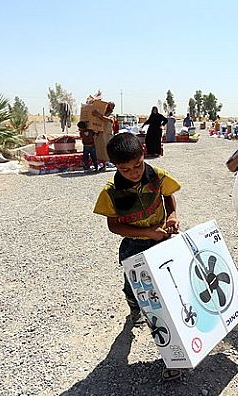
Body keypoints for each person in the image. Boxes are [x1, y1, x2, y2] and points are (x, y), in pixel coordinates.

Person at [93, 133, 182, 380]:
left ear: (144, 154)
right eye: (125, 169)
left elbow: (169, 197)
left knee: (164, 299)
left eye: (137, 165)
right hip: (134, 247)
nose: (133, 173)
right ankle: (134, 308)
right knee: (135, 291)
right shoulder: (110, 192)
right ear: (114, 166)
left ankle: (174, 356)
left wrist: (172, 217)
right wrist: (146, 233)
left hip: (162, 243)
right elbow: (115, 227)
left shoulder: (158, 176)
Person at [92, 101, 116, 171]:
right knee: (101, 150)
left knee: (109, 150)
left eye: (110, 106)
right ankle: (104, 165)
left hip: (107, 135)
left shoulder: (111, 115)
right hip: (100, 134)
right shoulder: (103, 113)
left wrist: (99, 115)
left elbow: (108, 120)